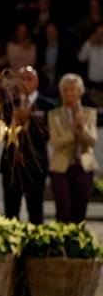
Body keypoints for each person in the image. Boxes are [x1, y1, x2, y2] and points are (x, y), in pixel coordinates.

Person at [0, 67, 54, 223]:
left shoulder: (47, 105)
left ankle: (35, 246)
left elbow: (49, 135)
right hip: (11, 164)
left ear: (36, 81)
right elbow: (1, 134)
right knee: (10, 212)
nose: (24, 82)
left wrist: (29, 122)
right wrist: (14, 123)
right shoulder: (8, 104)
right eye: (21, 78)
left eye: (28, 78)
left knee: (35, 210)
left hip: (35, 164)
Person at [48, 74, 97, 223]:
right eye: (66, 90)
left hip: (83, 166)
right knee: (63, 212)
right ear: (62, 92)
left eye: (73, 89)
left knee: (80, 212)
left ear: (80, 91)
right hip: (61, 167)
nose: (70, 93)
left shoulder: (89, 113)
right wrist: (73, 131)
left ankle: (78, 244)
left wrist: (82, 128)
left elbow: (92, 140)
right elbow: (56, 142)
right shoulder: (54, 114)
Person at [77, 23, 103, 107]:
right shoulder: (90, 44)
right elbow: (81, 58)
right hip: (92, 84)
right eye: (98, 33)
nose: (100, 36)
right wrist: (88, 43)